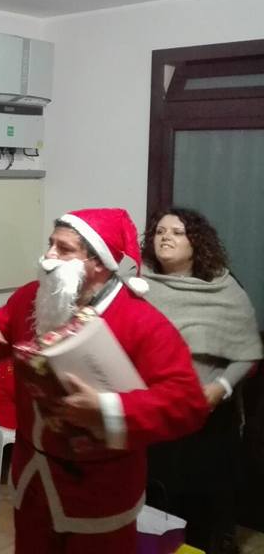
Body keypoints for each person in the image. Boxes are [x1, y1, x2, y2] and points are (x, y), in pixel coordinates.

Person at [0, 207, 207, 554]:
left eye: (63, 249)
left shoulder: (141, 321)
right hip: (33, 480)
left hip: (100, 493)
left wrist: (109, 409)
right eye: (50, 244)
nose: (48, 256)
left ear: (99, 263)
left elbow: (188, 401)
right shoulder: (34, 295)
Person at [142, 207, 262, 554]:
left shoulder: (223, 288)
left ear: (197, 242)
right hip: (153, 413)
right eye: (160, 231)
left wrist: (220, 388)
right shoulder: (138, 285)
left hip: (206, 418)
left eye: (177, 232)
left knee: (199, 506)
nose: (166, 237)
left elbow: (247, 351)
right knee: (155, 505)